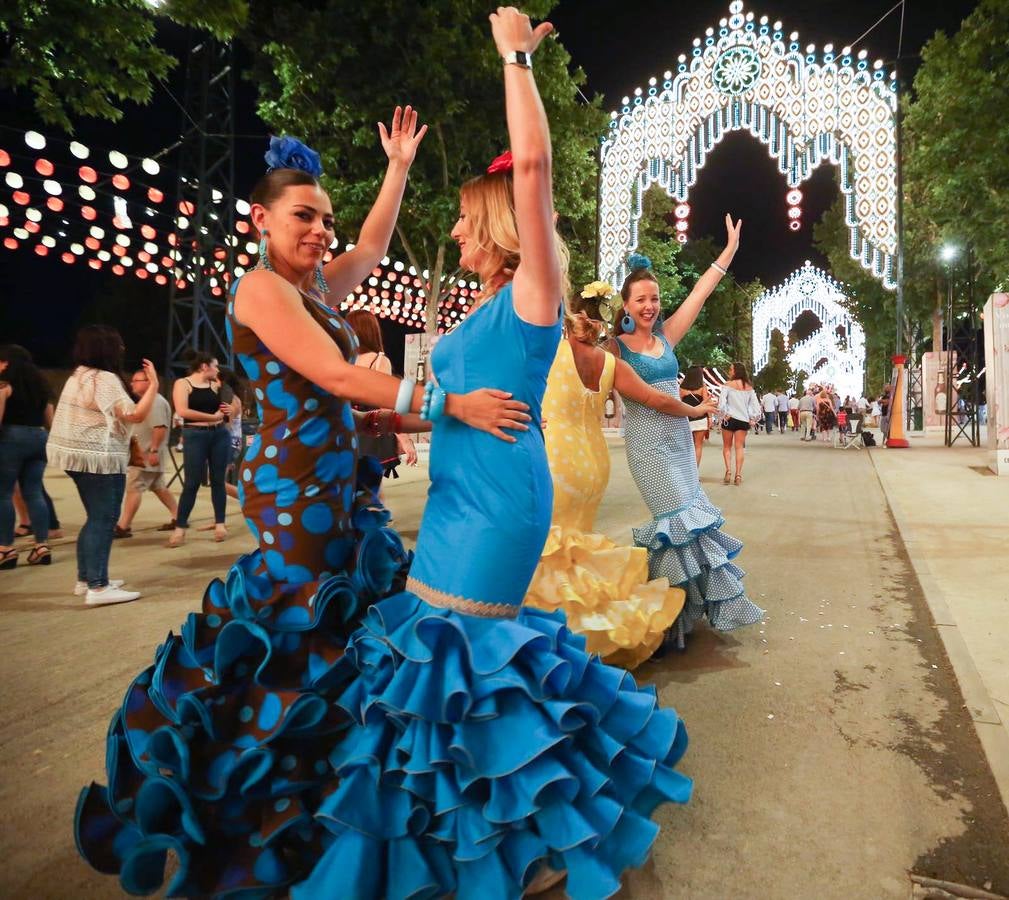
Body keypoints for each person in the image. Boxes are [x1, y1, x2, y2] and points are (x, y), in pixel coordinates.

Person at [74, 99, 548, 896]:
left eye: (323, 217)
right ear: (260, 218)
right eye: (303, 216)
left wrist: (396, 169)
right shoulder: (261, 290)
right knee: (294, 632)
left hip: (340, 484)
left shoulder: (319, 287)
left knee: (345, 627)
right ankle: (253, 803)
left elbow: (370, 245)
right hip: (293, 487)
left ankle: (340, 795)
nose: (320, 231)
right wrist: (446, 404)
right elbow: (332, 374)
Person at [297, 12, 691, 894]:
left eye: (467, 223)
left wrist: (515, 62)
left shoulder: (531, 296)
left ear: (498, 225)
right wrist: (393, 421)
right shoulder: (476, 311)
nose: (457, 236)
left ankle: (532, 840)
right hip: (451, 499)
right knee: (446, 670)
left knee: (462, 660)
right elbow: (461, 408)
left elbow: (540, 172)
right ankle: (482, 837)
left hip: (499, 507)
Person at [525, 284, 719, 666]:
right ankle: (589, 629)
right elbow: (655, 399)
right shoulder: (608, 361)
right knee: (576, 548)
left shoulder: (548, 350)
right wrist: (695, 411)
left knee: (547, 551)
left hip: (554, 456)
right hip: (594, 462)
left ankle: (550, 638)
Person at [609, 224, 764, 646]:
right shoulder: (614, 348)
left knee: (691, 524)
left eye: (654, 299)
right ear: (625, 304)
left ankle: (685, 611)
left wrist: (729, 249)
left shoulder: (666, 336)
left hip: (678, 439)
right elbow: (649, 399)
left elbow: (701, 291)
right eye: (640, 299)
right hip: (647, 445)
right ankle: (665, 620)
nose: (649, 306)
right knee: (673, 524)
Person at [46, 327, 159, 604]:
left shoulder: (80, 374)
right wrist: (154, 384)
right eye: (118, 345)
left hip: (78, 457)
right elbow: (134, 414)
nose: (122, 350)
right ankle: (99, 587)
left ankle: (86, 579)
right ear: (106, 349)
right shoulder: (104, 378)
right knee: (104, 518)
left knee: (95, 517)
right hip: (98, 458)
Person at [0, 344, 55, 569]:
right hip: (39, 439)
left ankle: (5, 549)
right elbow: (50, 421)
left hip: (11, 439)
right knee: (33, 492)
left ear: (7, 363)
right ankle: (41, 546)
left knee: (3, 494)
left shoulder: (4, 386)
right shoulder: (42, 387)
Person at [167, 352, 230, 547]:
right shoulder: (183, 384)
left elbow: (231, 407)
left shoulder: (215, 385)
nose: (218, 370)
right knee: (192, 482)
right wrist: (214, 417)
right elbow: (183, 411)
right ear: (204, 366)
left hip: (219, 434)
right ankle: (180, 527)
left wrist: (229, 411)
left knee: (218, 480)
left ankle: (220, 523)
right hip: (195, 435)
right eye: (215, 365)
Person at [345, 308, 417, 478]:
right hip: (372, 434)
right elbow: (387, 403)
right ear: (372, 331)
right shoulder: (379, 360)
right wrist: (405, 440)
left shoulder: (344, 360)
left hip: (346, 429)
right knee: (370, 493)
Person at [114, 367, 177, 538]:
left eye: (137, 380)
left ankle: (123, 526)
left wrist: (154, 450)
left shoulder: (155, 401)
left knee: (134, 488)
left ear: (149, 382)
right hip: (145, 452)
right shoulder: (148, 400)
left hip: (146, 454)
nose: (132, 383)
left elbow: (159, 427)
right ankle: (179, 516)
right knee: (159, 487)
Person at [718, 361, 762, 484]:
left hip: (729, 419)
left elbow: (721, 404)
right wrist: (753, 418)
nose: (729, 371)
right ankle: (738, 475)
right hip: (743, 420)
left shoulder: (728, 385)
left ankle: (728, 471)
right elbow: (756, 407)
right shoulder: (749, 387)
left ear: (736, 371)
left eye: (731, 369)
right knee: (739, 448)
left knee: (727, 447)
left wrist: (723, 415)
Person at [681, 364, 712, 467]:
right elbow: (706, 403)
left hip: (686, 419)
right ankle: (695, 471)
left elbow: (678, 402)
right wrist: (710, 418)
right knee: (698, 446)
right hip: (700, 418)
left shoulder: (682, 387)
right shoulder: (702, 386)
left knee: (687, 446)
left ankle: (687, 470)